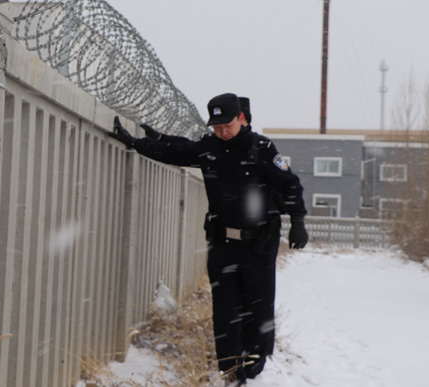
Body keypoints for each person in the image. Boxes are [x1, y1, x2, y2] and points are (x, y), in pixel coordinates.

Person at [108, 93, 308, 385]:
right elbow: (179, 152)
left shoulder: (261, 148)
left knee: (258, 306)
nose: (222, 132)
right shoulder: (210, 147)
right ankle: (230, 370)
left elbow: (290, 183)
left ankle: (255, 363)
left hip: (258, 247)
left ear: (240, 118)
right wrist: (137, 143)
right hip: (223, 245)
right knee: (225, 310)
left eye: (227, 125)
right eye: (217, 127)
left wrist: (298, 220)